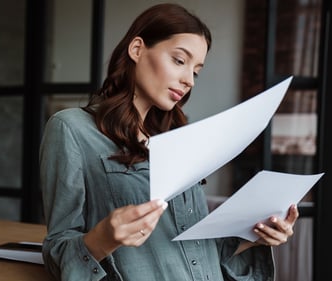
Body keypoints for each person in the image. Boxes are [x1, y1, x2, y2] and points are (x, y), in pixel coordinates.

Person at [39, 3, 298, 281]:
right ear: (137, 49)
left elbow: (201, 252)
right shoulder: (72, 129)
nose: (189, 81)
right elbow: (58, 251)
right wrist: (103, 238)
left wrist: (257, 235)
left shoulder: (179, 139)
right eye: (179, 60)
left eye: (196, 71)